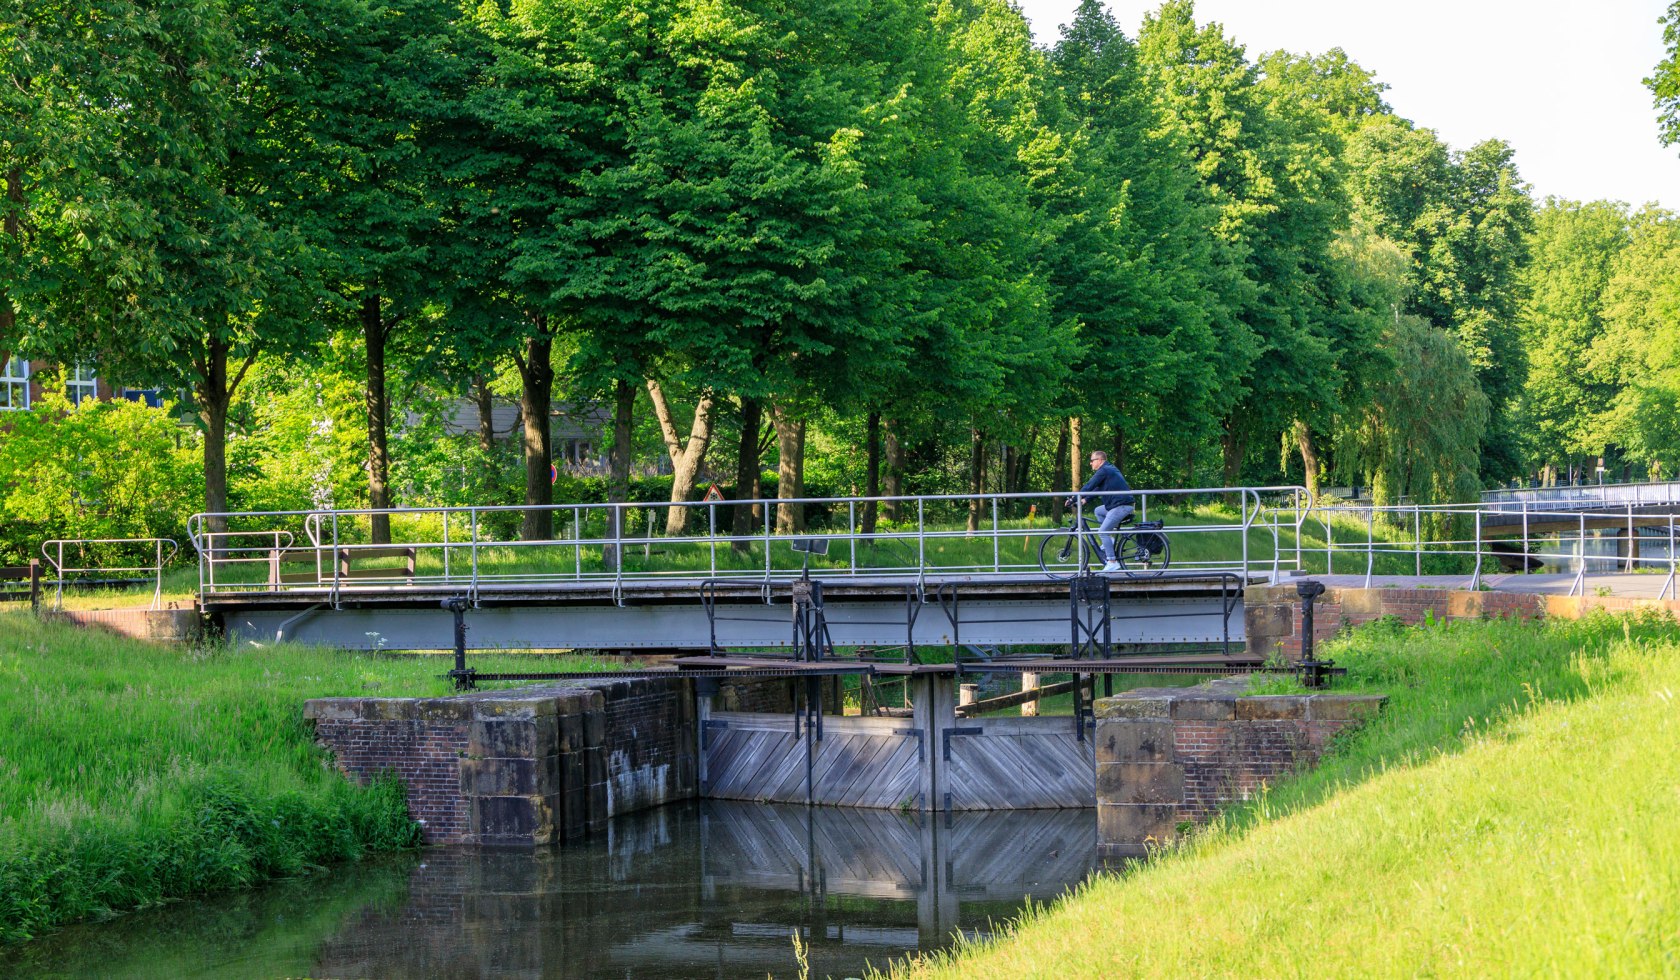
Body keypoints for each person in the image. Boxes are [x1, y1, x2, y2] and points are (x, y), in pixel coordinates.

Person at [1073, 450, 1135, 572]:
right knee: (1098, 511)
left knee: (1102, 532)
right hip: (1117, 504)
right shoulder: (1108, 469)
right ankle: (1110, 540)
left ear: (1100, 460)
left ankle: (1112, 561)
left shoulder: (1104, 470)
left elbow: (1089, 485)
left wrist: (1073, 498)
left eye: (1092, 461)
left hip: (1121, 506)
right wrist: (1085, 500)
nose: (1090, 463)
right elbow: (1097, 488)